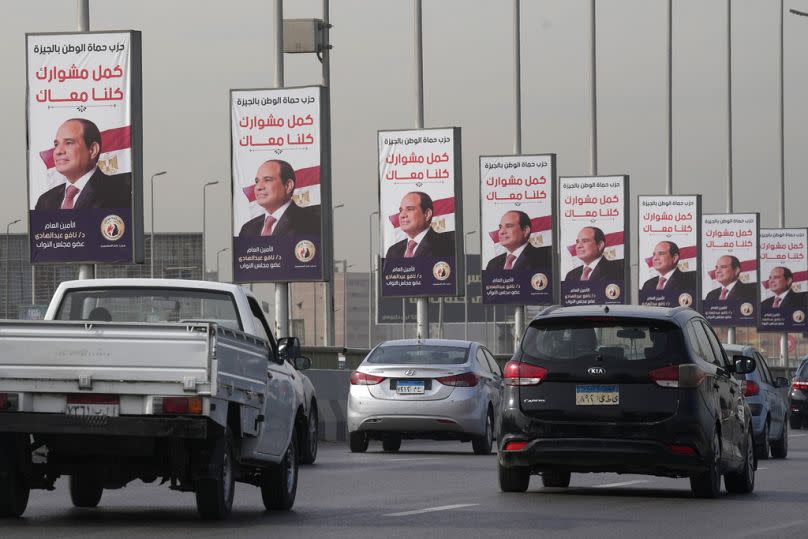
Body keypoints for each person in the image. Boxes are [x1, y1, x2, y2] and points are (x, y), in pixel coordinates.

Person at [35, 118, 131, 210]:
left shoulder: (120, 193)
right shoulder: (45, 201)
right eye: (56, 144)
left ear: (93, 150)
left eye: (69, 143)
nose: (58, 151)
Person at [238, 159, 321, 237]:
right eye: (257, 181)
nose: (258, 187)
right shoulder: (247, 229)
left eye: (267, 180)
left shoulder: (312, 222)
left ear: (288, 186)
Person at [385, 191, 454, 258]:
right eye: (401, 210)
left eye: (409, 209)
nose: (402, 215)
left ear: (427, 214)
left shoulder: (447, 245)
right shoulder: (393, 251)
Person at [485, 210, 551, 272]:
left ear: (525, 230)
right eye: (500, 227)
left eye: (508, 226)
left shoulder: (546, 257)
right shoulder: (492, 264)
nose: (501, 232)